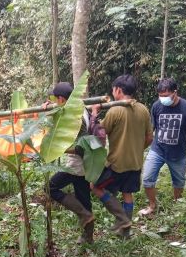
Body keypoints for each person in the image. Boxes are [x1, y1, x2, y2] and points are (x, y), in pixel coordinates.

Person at [91, 74, 153, 238]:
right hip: (135, 162)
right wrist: (138, 149)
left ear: (118, 90)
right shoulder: (143, 109)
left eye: (113, 89)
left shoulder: (115, 111)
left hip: (116, 164)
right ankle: (125, 232)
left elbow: (99, 134)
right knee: (127, 193)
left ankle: (121, 219)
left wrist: (94, 114)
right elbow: (149, 138)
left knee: (95, 187)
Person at [139, 77, 186, 216]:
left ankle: (177, 206)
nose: (163, 99)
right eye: (160, 96)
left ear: (175, 92)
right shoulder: (156, 106)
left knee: (178, 183)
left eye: (166, 96)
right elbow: (151, 129)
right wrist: (141, 146)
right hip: (157, 150)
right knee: (147, 179)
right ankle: (152, 206)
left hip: (178, 154)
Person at [44, 82, 95, 244]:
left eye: (56, 99)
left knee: (50, 187)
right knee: (84, 196)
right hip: (86, 161)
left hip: (77, 162)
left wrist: (61, 150)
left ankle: (84, 215)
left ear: (61, 99)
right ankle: (88, 236)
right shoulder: (80, 108)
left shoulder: (75, 116)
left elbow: (80, 146)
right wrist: (51, 109)